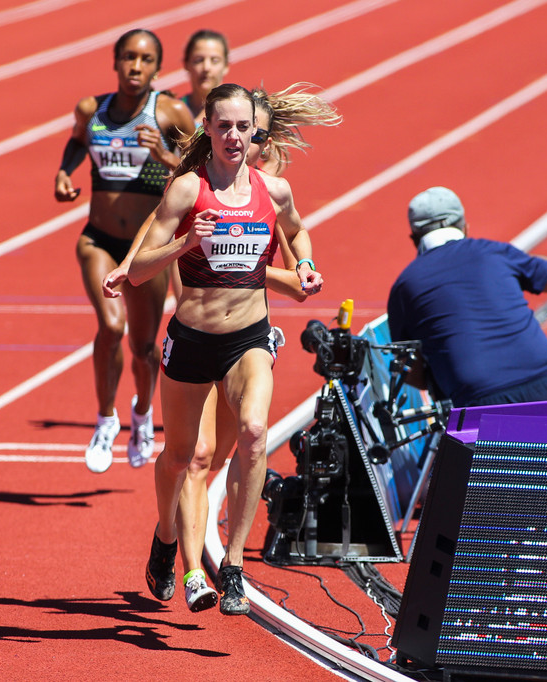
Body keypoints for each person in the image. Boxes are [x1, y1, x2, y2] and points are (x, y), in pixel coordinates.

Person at [127, 84, 322, 616]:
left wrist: (304, 264)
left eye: (244, 128)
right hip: (190, 341)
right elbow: (140, 270)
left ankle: (230, 566)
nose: (234, 136)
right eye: (224, 126)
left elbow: (299, 233)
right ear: (208, 130)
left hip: (248, 338)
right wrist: (186, 243)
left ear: (254, 134)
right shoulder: (187, 192)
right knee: (180, 459)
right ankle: (166, 535)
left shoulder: (273, 190)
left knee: (256, 431)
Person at [53, 29, 195, 473]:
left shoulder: (170, 111)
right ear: (114, 62)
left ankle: (142, 412)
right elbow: (78, 139)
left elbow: (201, 166)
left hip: (146, 248)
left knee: (144, 347)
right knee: (110, 327)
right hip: (97, 238)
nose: (136, 67)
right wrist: (64, 171)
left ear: (157, 67)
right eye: (128, 58)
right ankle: (105, 419)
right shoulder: (91, 110)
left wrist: (167, 158)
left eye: (146, 59)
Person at [387, 186, 547, 407]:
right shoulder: (495, 252)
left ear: (414, 239)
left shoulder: (404, 285)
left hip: (480, 397)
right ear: (465, 227)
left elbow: (409, 370)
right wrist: (523, 264)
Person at [181, 30, 230, 126]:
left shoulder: (237, 111)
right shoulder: (174, 110)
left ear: (226, 66)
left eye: (214, 61)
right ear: (186, 64)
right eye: (198, 60)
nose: (206, 67)